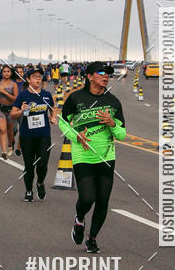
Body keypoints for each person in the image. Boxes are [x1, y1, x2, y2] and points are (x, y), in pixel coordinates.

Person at [59, 62, 126, 253]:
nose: (106, 77)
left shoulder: (113, 101)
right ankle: (79, 219)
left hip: (106, 156)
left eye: (109, 74)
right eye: (102, 73)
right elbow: (63, 122)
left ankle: (92, 238)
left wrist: (112, 123)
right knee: (88, 197)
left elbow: (121, 134)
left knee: (103, 201)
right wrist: (76, 136)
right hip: (83, 155)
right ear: (89, 76)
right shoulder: (76, 98)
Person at [11, 66, 56, 202]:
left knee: (42, 163)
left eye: (39, 77)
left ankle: (40, 183)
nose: (38, 79)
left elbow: (53, 109)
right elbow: (13, 114)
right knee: (29, 165)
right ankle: (29, 190)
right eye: (35, 77)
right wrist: (21, 110)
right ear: (29, 79)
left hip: (43, 134)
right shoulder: (23, 95)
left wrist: (53, 117)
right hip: (27, 136)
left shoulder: (46, 95)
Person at [0, 65, 19, 158]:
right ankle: (3, 151)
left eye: (8, 71)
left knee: (10, 131)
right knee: (2, 130)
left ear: (11, 73)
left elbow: (16, 99)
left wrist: (5, 93)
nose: (6, 73)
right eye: (4, 71)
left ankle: (10, 145)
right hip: (0, 109)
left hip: (11, 110)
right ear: (1, 73)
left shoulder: (13, 85)